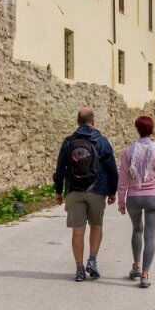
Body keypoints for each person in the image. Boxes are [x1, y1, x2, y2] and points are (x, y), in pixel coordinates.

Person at [53, 108, 118, 282]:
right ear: (93, 122)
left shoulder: (68, 142)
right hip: (97, 190)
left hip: (74, 191)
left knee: (78, 231)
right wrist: (112, 191)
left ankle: (80, 269)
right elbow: (112, 170)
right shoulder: (102, 141)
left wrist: (58, 191)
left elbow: (59, 170)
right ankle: (93, 261)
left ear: (77, 122)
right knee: (96, 226)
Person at [117, 115, 155, 289]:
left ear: (137, 129)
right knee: (150, 235)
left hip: (134, 197)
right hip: (154, 197)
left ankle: (136, 266)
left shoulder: (129, 151)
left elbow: (123, 179)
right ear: (152, 129)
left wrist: (121, 202)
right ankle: (145, 275)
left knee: (137, 229)